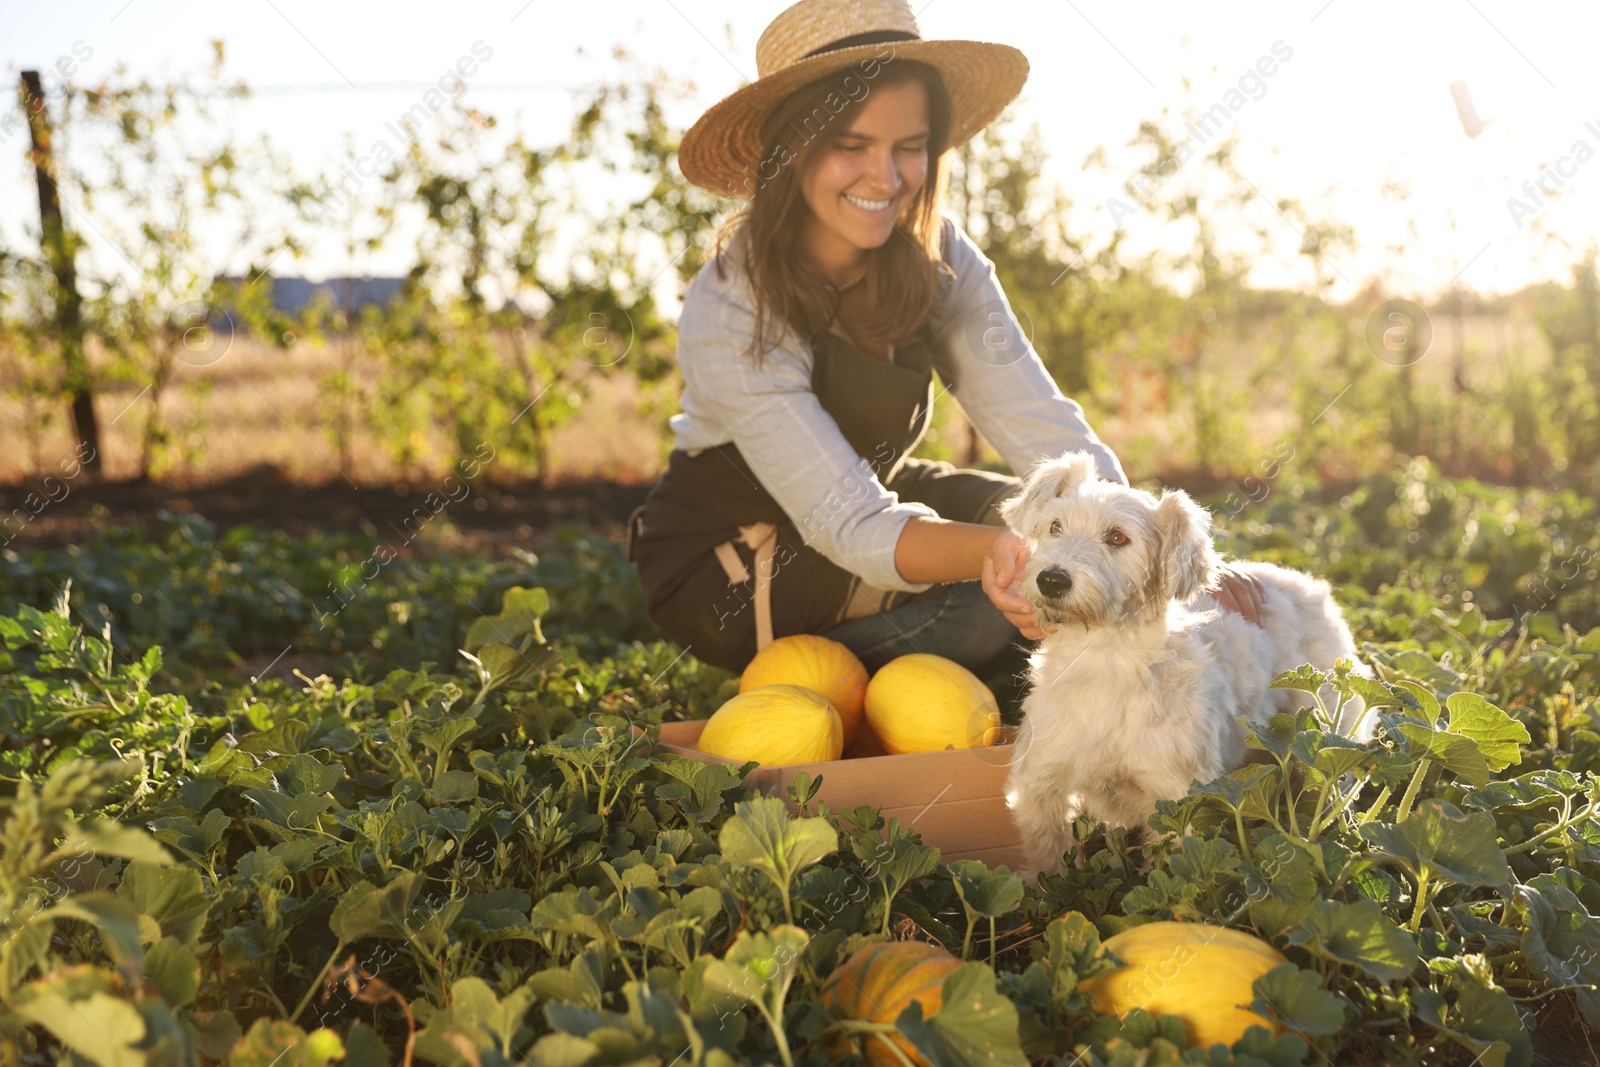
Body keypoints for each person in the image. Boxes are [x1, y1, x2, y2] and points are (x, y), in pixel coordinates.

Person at [626, 0, 1264, 682]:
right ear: (792, 149)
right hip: (737, 558)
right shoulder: (730, 307)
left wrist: (1143, 547)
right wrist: (1004, 554)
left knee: (1046, 525)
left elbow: (1043, 427)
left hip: (874, 496)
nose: (887, 178)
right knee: (995, 599)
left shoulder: (942, 258)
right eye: (851, 145)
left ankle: (1013, 678)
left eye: (910, 146)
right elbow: (850, 522)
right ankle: (851, 680)